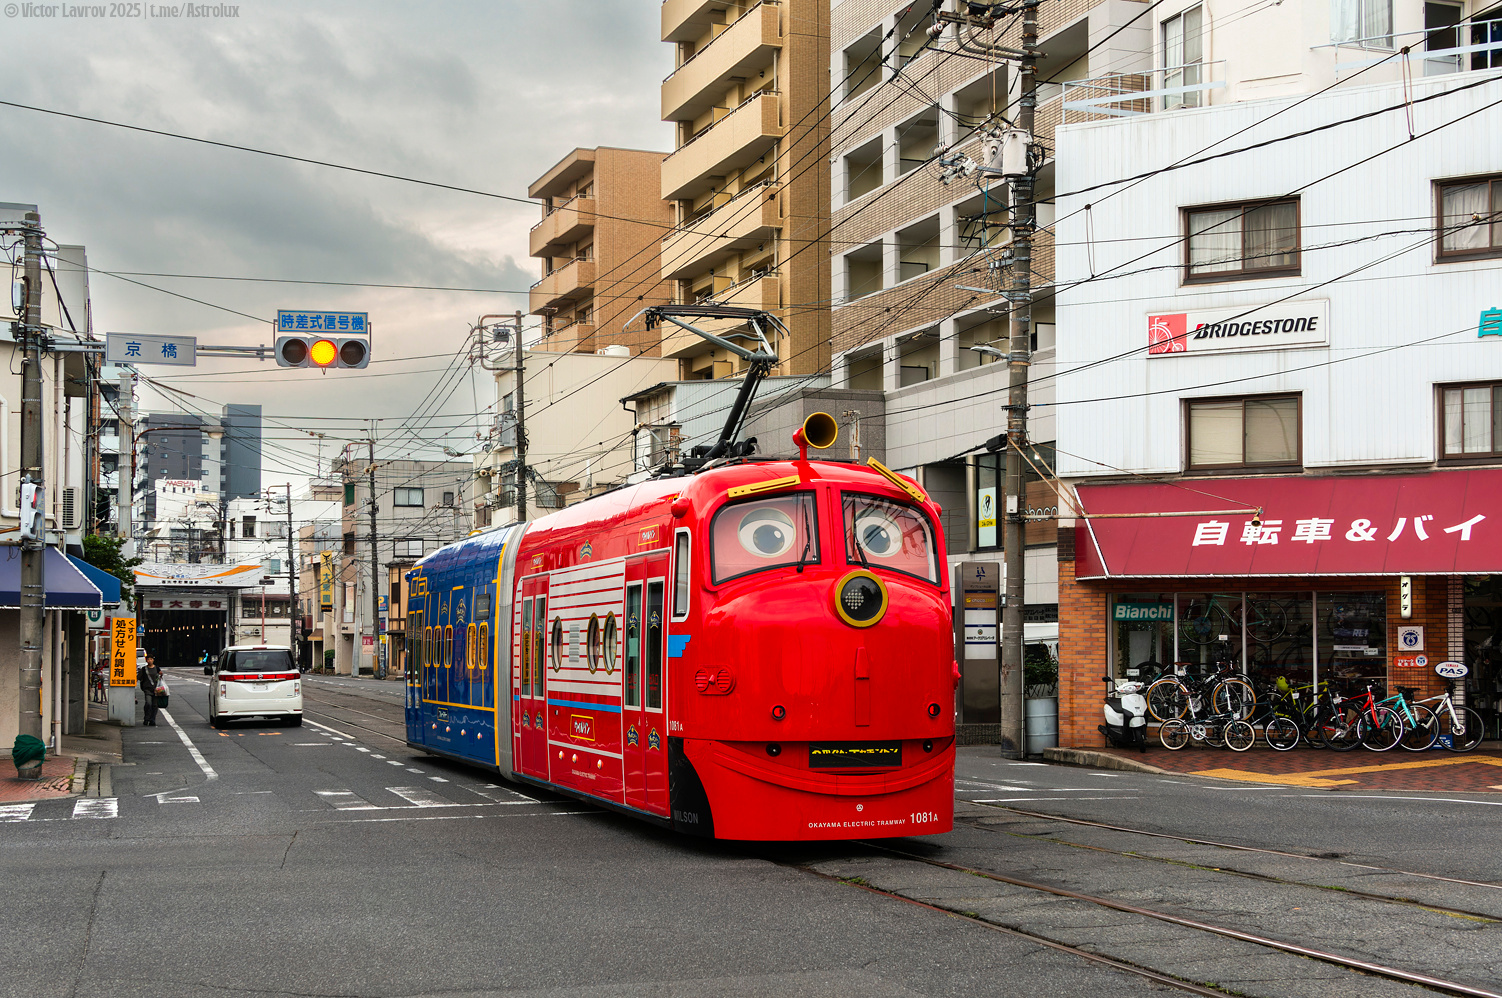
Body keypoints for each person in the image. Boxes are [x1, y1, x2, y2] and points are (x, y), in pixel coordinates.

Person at [139, 652, 163, 726]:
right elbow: (139, 677)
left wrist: (161, 674)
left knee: (155, 705)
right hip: (147, 689)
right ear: (146, 660)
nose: (149, 660)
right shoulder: (144, 669)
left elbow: (160, 677)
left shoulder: (157, 668)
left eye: (151, 659)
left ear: (153, 660)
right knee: (148, 703)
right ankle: (146, 718)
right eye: (148, 659)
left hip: (156, 689)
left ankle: (152, 719)